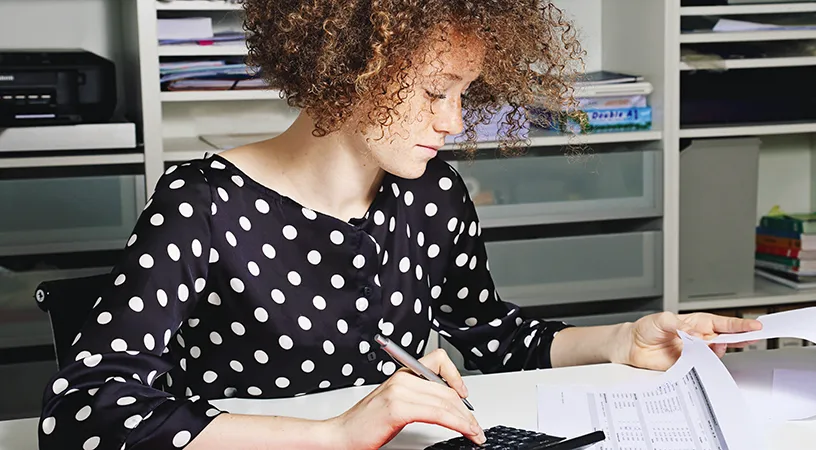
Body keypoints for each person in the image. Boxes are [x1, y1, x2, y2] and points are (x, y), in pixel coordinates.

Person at [38, 1, 761, 449]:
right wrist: (335, 435)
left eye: (465, 94)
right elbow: (84, 414)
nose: (452, 122)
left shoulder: (430, 192)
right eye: (433, 92)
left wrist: (617, 340)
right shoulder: (201, 204)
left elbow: (490, 334)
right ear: (347, 66)